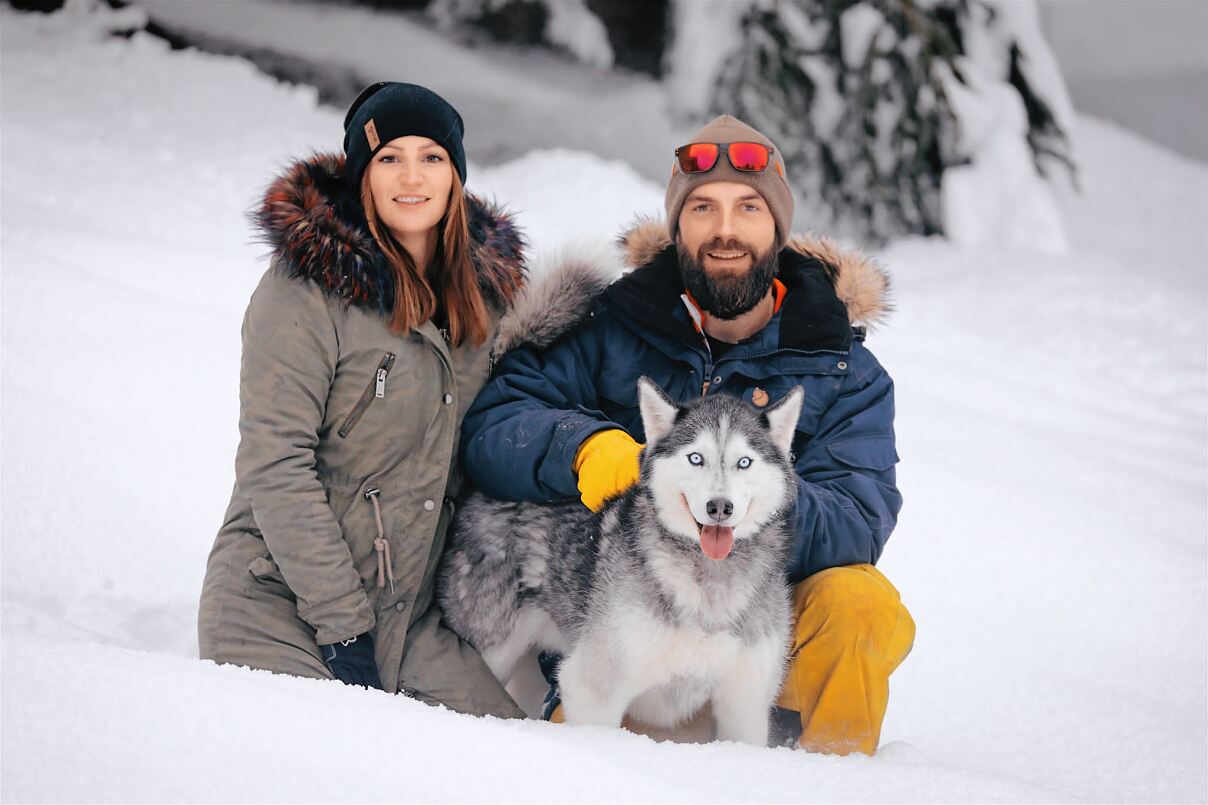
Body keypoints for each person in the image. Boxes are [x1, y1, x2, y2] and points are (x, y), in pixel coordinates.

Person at [461, 115, 915, 753]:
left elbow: (859, 519)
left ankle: (826, 773)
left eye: (747, 208)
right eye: (702, 208)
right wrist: (587, 450)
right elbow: (496, 422)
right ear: (677, 228)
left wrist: (751, 499)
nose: (725, 230)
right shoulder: (613, 325)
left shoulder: (841, 366)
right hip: (632, 628)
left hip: (760, 631)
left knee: (859, 601)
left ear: (778, 230)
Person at [198, 82, 527, 718]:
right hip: (280, 605)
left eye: (431, 158)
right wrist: (343, 627)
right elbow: (275, 465)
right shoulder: (306, 290)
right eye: (388, 159)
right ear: (361, 175)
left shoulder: (489, 301)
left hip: (408, 621)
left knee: (515, 763)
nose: (412, 178)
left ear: (456, 175)